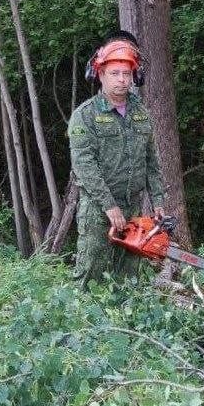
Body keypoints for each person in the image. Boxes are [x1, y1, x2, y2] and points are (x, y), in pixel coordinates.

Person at [68, 32, 166, 288]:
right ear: (100, 74)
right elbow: (84, 166)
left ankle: (124, 319)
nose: (122, 80)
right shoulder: (85, 116)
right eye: (115, 73)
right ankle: (81, 320)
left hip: (132, 205)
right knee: (91, 268)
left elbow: (152, 161)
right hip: (99, 207)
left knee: (129, 270)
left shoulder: (141, 114)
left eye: (127, 73)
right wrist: (109, 206)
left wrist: (158, 201)